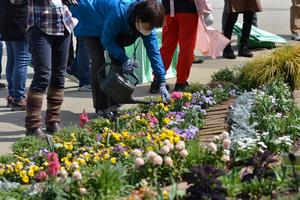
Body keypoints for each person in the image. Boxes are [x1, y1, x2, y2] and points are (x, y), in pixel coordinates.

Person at [70, 0, 170, 118]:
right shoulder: (118, 13)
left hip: (108, 24)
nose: (149, 30)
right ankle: (101, 107)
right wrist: (125, 59)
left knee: (118, 62)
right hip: (89, 20)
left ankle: (114, 103)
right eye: (147, 27)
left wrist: (161, 80)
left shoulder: (147, 22)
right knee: (98, 63)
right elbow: (107, 40)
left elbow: (153, 52)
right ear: (138, 19)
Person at [25, 0, 77, 138]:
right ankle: (32, 127)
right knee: (42, 75)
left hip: (64, 24)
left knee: (59, 76)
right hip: (39, 26)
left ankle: (53, 121)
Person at [0, 0, 31, 110]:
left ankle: (13, 96)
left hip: (7, 18)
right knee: (21, 59)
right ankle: (18, 98)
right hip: (19, 20)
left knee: (13, 58)